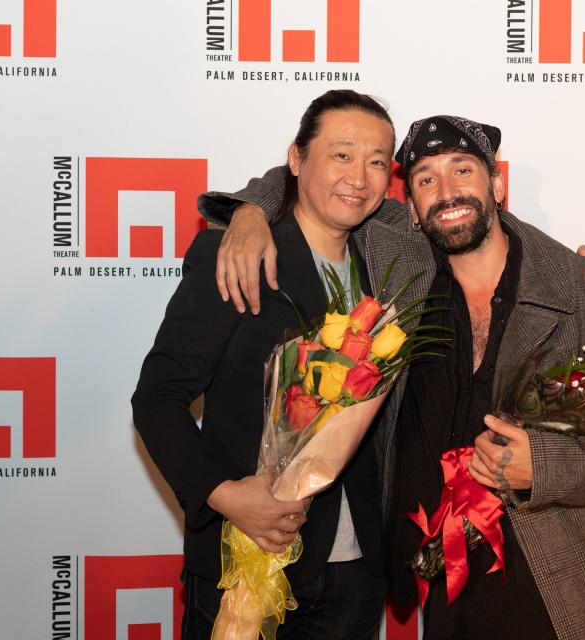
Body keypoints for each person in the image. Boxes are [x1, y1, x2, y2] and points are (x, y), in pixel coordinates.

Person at [199, 115, 585, 639]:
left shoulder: (579, 288)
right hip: (444, 586)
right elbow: (312, 178)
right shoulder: (396, 258)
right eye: (425, 179)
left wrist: (543, 466)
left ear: (497, 184)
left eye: (463, 170)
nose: (447, 192)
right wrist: (249, 214)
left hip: (562, 582)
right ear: (412, 209)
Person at [131, 90, 398, 640]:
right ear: (297, 159)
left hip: (357, 569)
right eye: (342, 154)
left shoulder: (392, 261)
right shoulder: (238, 254)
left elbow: (469, 212)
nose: (360, 176)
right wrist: (227, 496)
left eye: (377, 161)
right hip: (248, 560)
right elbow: (157, 399)